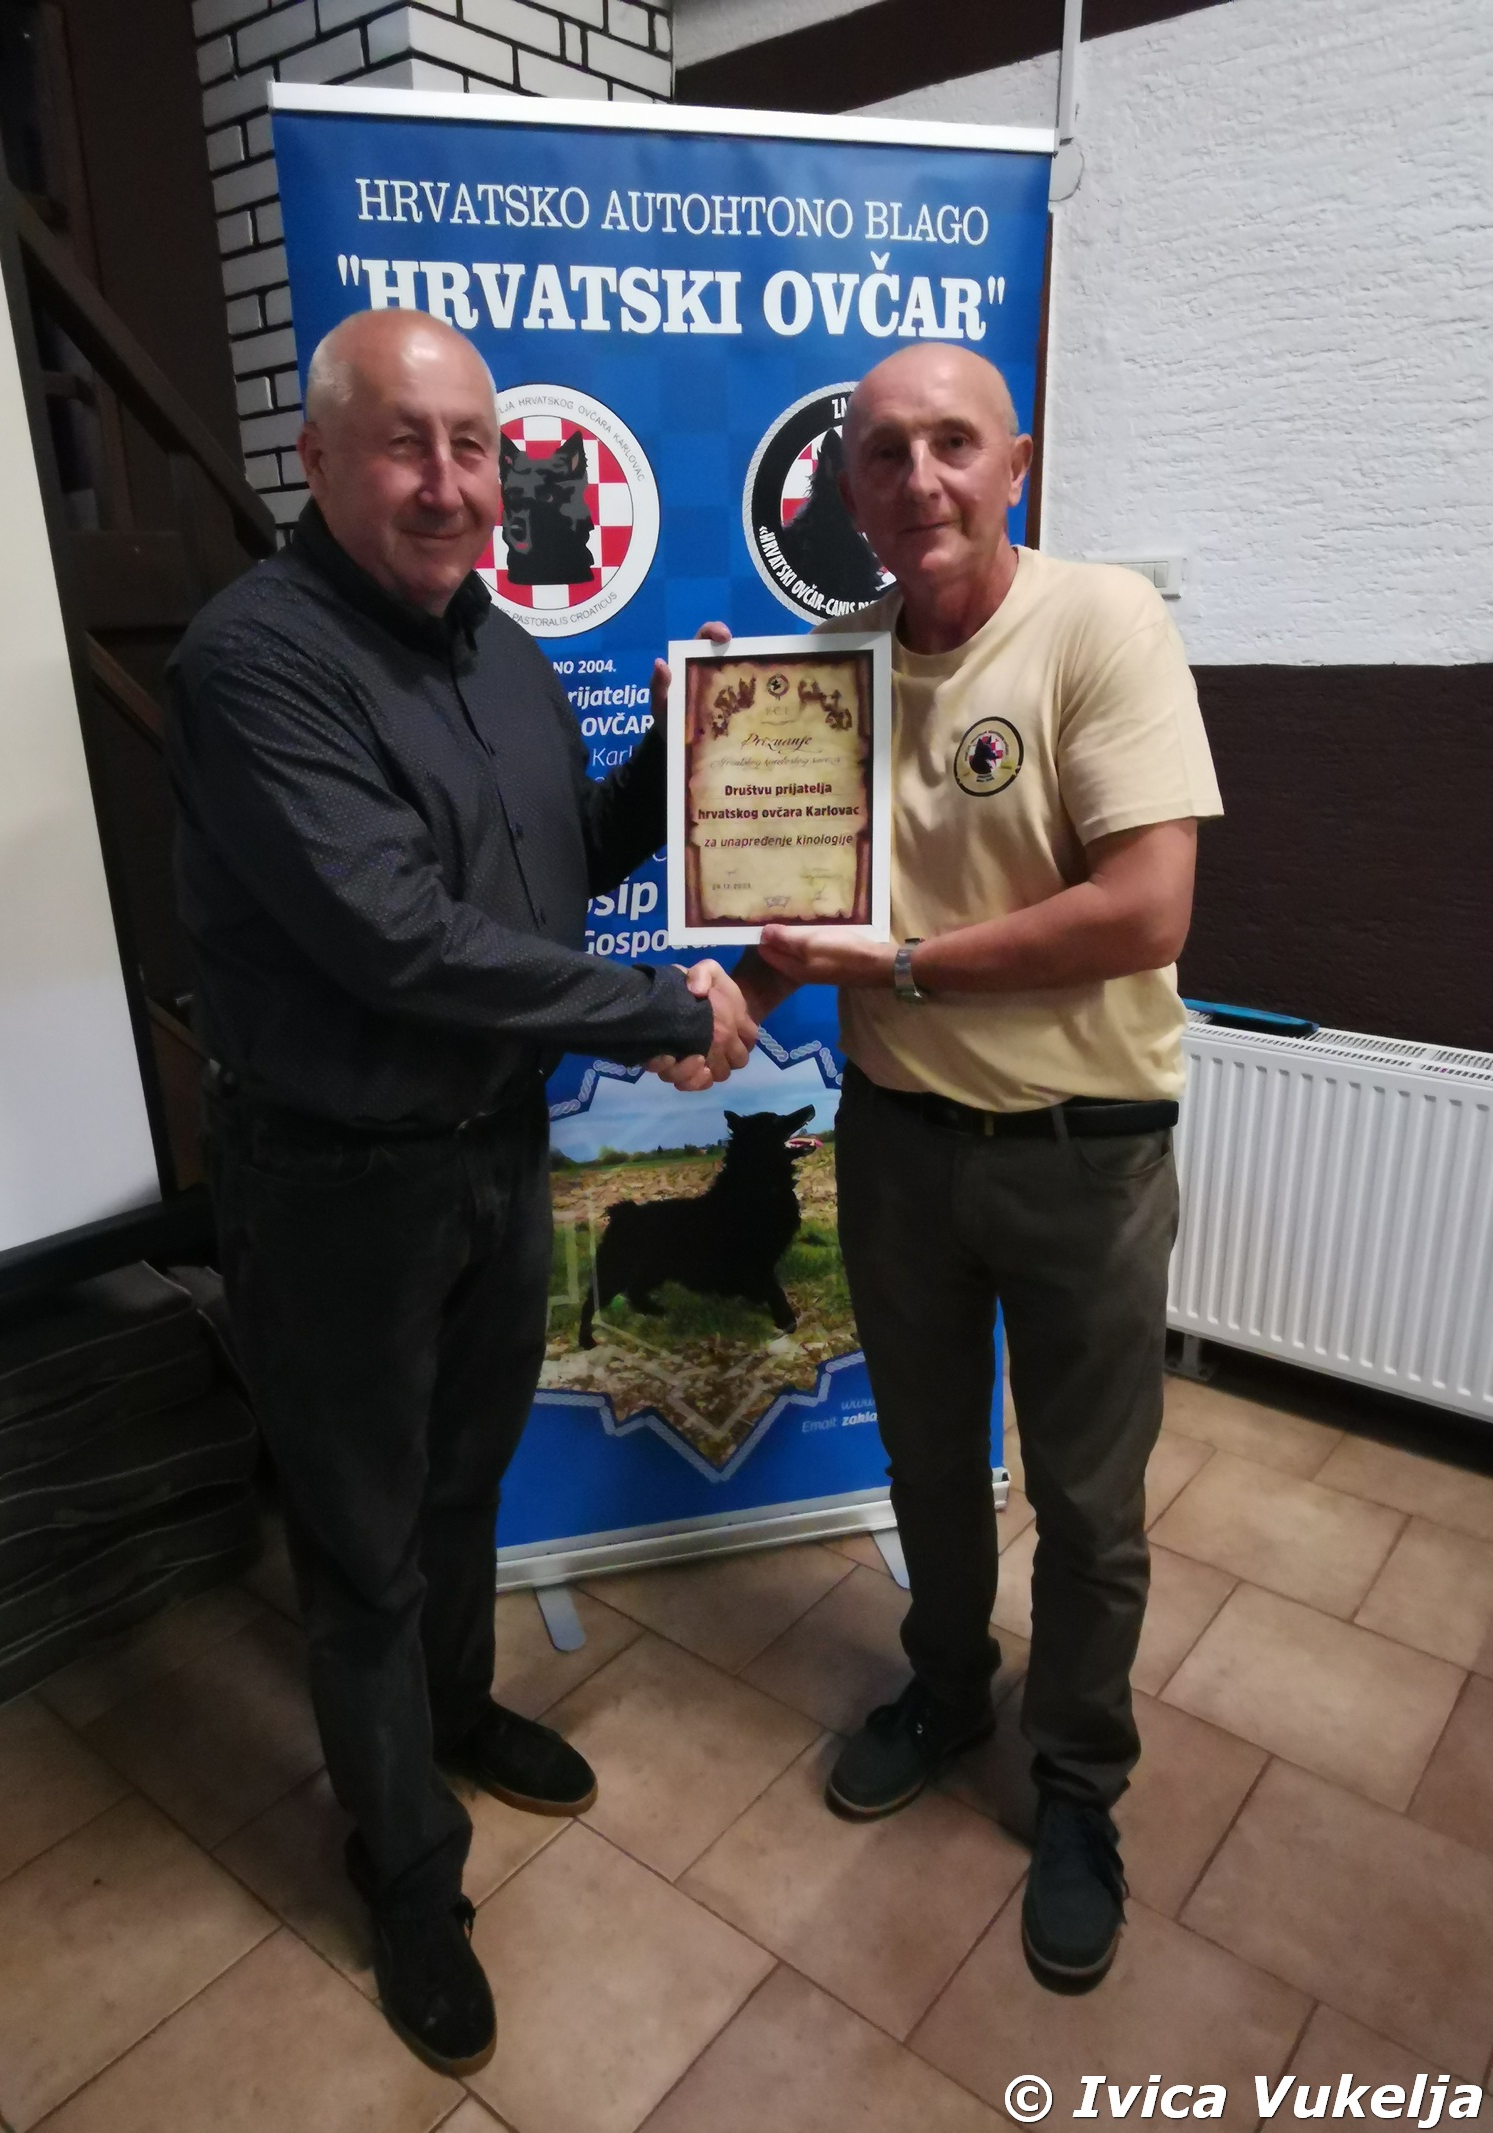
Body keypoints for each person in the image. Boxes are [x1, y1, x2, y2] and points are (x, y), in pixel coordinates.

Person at [165, 308, 754, 2074]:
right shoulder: (252, 662)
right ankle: (405, 1865)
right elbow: (397, 940)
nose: (447, 482)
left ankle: (456, 1717)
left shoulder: (500, 650)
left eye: (473, 445)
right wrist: (662, 1014)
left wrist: (693, 745)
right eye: (404, 443)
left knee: (461, 1481)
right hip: (333, 1180)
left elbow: (561, 867)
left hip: (496, 1150)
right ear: (319, 459)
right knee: (360, 1542)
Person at [735, 343, 1222, 1989]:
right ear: (846, 490)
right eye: (883, 453)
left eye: (955, 443)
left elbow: (1145, 908)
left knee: (1087, 1502)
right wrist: (728, 991)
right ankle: (949, 1687)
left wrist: (904, 967)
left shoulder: (1102, 625)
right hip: (899, 1147)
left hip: (1084, 1154)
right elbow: (804, 909)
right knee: (930, 1463)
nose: (920, 479)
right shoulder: (833, 670)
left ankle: (1077, 1784)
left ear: (1017, 463)